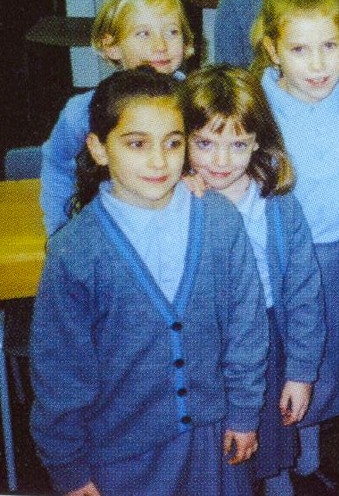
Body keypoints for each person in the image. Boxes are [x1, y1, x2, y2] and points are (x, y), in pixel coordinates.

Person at [30, 68, 268, 496]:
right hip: (120, 457)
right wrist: (68, 465)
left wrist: (244, 413)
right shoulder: (76, 250)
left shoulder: (219, 221)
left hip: (213, 444)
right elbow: (60, 372)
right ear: (99, 149)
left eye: (173, 142)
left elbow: (245, 328)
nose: (159, 161)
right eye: (137, 144)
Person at [255, 0, 339, 486]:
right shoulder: (258, 103)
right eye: (300, 50)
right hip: (279, 255)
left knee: (326, 356)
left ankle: (307, 459)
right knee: (282, 357)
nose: (318, 64)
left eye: (329, 46)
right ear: (273, 50)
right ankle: (281, 463)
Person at [180, 65, 325, 496]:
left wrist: (301, 372)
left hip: (268, 341)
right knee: (217, 460)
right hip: (203, 351)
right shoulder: (175, 202)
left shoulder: (278, 205)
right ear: (182, 140)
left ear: (258, 141)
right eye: (205, 143)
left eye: (237, 144)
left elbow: (304, 294)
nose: (221, 161)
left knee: (271, 451)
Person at [40, 0, 194, 235]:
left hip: (178, 227)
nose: (160, 45)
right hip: (113, 230)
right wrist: (60, 229)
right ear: (111, 46)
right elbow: (57, 164)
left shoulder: (197, 100)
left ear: (187, 43)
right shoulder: (84, 111)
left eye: (172, 31)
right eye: (143, 33)